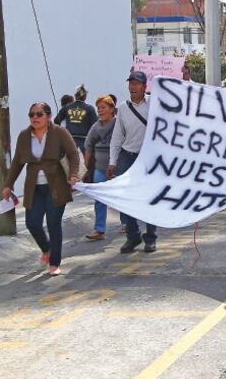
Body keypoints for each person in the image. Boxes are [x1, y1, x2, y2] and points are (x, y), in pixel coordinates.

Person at [2, 102, 80, 275]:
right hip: (34, 187)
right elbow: (17, 162)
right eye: (31, 115)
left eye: (39, 114)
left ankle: (54, 263)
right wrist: (8, 184)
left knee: (53, 224)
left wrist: (73, 174)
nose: (34, 118)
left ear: (48, 116)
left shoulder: (59, 132)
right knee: (32, 223)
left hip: (56, 185)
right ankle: (46, 250)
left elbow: (73, 154)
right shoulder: (24, 136)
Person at [108, 71, 160, 253]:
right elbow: (117, 136)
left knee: (149, 198)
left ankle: (150, 238)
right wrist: (112, 161)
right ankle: (132, 235)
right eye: (130, 83)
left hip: (149, 158)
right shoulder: (123, 108)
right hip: (128, 157)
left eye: (136, 83)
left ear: (144, 86)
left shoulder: (154, 104)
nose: (132, 87)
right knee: (126, 199)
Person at [83, 95, 117, 241]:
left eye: (103, 107)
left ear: (111, 109)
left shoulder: (118, 124)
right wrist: (85, 167)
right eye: (99, 108)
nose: (100, 111)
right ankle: (99, 229)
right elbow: (88, 147)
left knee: (121, 196)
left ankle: (127, 224)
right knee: (99, 198)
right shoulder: (95, 127)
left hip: (117, 166)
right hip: (99, 167)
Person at [54, 84, 98, 154]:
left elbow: (56, 121)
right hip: (85, 139)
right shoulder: (90, 108)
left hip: (70, 139)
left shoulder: (67, 107)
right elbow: (95, 125)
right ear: (85, 96)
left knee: (69, 161)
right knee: (89, 162)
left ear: (75, 96)